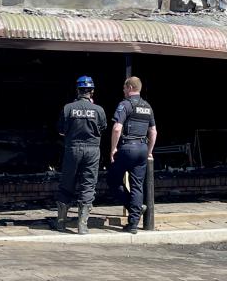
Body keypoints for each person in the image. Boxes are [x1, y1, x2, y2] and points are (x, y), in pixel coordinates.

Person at [56, 75, 107, 234]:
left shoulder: (68, 108)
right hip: (92, 150)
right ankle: (82, 225)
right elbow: (103, 128)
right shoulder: (99, 110)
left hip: (73, 149)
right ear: (91, 91)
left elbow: (61, 131)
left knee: (67, 183)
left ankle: (61, 223)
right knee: (88, 185)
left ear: (77, 90)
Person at [108, 76, 157, 234]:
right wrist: (149, 151)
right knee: (137, 186)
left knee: (113, 181)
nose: (123, 91)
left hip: (127, 148)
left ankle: (133, 207)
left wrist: (113, 149)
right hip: (142, 149)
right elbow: (154, 132)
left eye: (124, 88)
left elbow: (117, 128)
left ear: (129, 88)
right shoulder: (148, 107)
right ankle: (134, 223)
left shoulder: (125, 105)